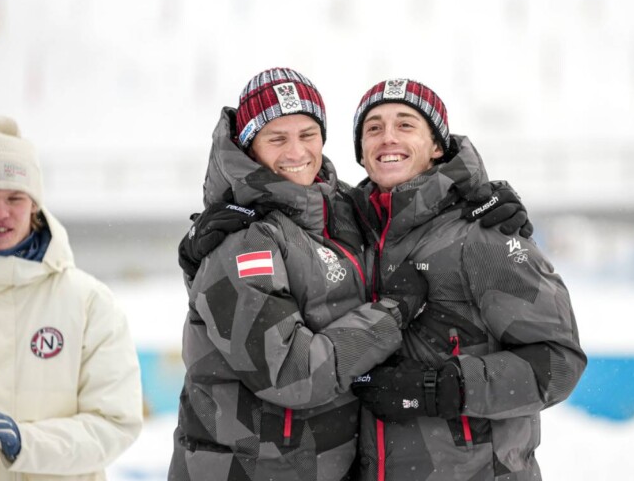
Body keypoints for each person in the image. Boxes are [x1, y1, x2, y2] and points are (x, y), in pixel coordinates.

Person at [168, 68, 412, 481]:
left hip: (317, 463)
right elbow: (292, 374)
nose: (296, 152)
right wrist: (393, 314)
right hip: (248, 469)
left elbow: (416, 199)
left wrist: (479, 191)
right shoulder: (242, 238)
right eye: (277, 138)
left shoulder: (340, 209)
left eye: (308, 134)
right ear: (249, 148)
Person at [347, 79, 587, 480]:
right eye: (374, 128)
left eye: (405, 125)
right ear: (361, 152)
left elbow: (558, 362)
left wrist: (440, 387)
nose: (388, 138)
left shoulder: (482, 235)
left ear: (437, 145)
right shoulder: (350, 236)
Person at [0, 116, 143, 481]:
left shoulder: (89, 302)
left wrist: (26, 444)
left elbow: (116, 423)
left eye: (14, 198)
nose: (0, 212)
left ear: (35, 205)